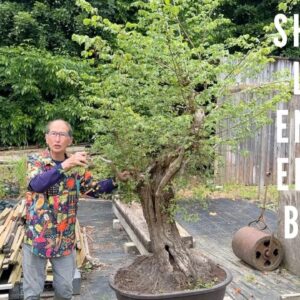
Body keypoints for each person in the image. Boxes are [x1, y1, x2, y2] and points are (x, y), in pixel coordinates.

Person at [23, 119, 129, 300]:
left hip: (65, 239)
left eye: (62, 134)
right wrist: (65, 165)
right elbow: (36, 185)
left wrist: (116, 180)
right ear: (46, 137)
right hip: (37, 238)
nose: (57, 139)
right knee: (32, 293)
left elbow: (94, 189)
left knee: (65, 291)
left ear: (70, 140)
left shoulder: (77, 167)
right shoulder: (36, 161)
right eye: (54, 134)